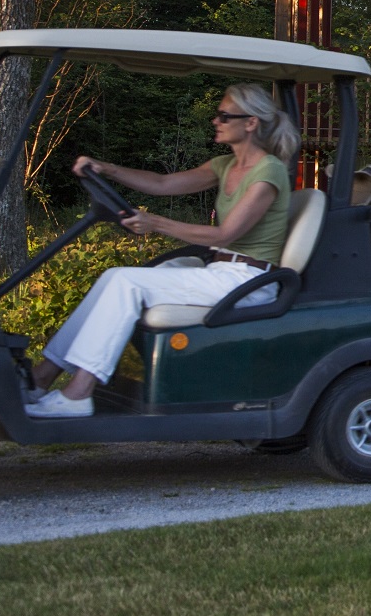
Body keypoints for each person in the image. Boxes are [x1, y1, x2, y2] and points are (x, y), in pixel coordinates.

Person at [26, 84, 298, 418]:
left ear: (251, 123)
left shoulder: (268, 171)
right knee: (116, 277)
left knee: (128, 283)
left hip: (248, 282)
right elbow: (162, 184)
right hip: (222, 273)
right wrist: (107, 168)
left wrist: (155, 223)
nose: (216, 121)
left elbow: (225, 234)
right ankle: (42, 377)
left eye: (225, 116)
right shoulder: (226, 164)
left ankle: (79, 392)